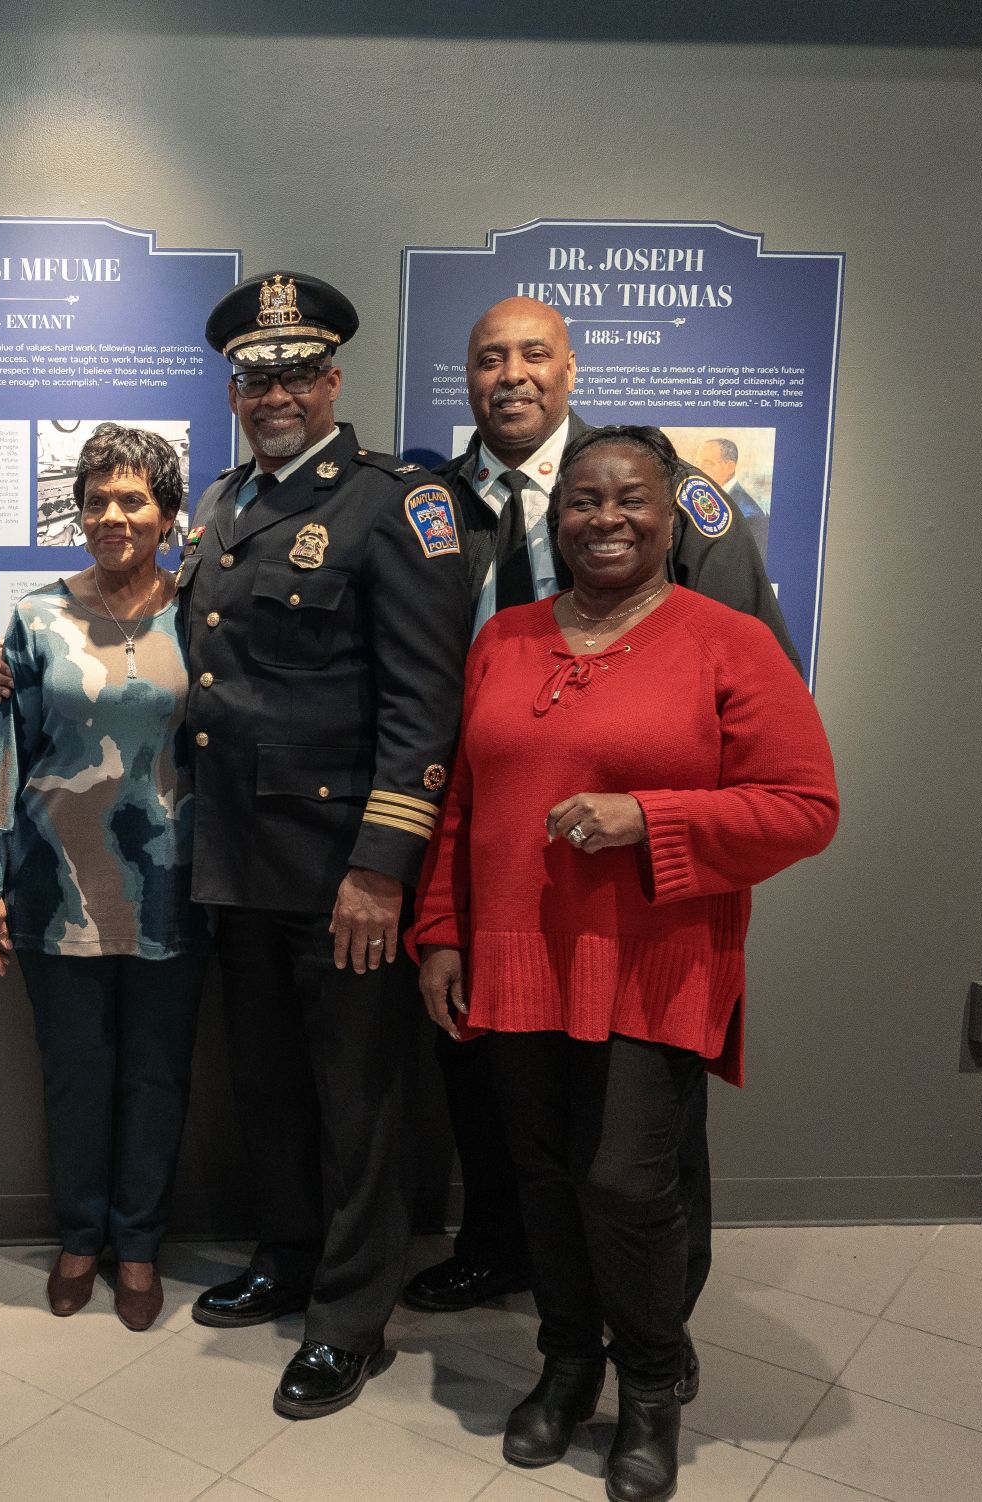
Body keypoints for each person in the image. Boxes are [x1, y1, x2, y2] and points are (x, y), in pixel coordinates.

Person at [410, 425, 837, 1502]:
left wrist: (648, 816)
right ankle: (565, 1362)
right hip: (515, 959)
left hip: (652, 959)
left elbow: (803, 805)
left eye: (630, 499)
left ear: (669, 511)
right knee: (542, 1176)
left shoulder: (724, 640)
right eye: (582, 501)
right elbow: (460, 804)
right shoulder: (502, 638)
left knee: (625, 1182)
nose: (603, 517)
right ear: (555, 518)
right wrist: (440, 933)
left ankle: (650, 1383)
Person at [178, 272, 470, 1418]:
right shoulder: (219, 503)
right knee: (267, 1086)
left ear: (332, 378)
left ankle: (349, 1315)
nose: (275, 392)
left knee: (357, 1103)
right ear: (235, 389)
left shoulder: (394, 504)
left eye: (296, 371)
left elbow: (422, 709)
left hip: (340, 870)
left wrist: (377, 871)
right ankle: (289, 1254)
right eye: (255, 375)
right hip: (239, 862)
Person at [0, 424, 208, 1332]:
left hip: (175, 885)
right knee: (73, 1073)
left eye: (133, 499)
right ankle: (78, 1237)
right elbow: (7, 750)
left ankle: (137, 1245)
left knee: (157, 1075)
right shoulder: (35, 616)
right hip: (56, 887)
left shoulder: (205, 610)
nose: (113, 515)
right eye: (97, 499)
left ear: (170, 514)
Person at [695, 436, 771, 558]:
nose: (699, 470)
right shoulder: (700, 498)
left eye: (708, 464)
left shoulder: (750, 514)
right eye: (697, 464)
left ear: (730, 467)